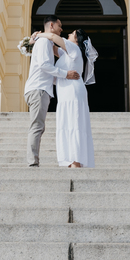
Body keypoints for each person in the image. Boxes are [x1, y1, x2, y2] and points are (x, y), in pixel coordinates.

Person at [35, 25, 97, 168]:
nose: (68, 34)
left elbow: (52, 37)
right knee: (67, 124)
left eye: (72, 33)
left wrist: (38, 34)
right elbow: (53, 48)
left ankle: (76, 161)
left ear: (77, 39)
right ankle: (70, 160)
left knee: (74, 123)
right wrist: (31, 42)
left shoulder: (73, 48)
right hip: (65, 93)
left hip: (72, 92)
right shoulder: (66, 52)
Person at [23, 16, 78, 167]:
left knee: (39, 126)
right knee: (37, 127)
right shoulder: (44, 42)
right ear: (52, 26)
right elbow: (44, 65)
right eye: (60, 26)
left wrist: (60, 80)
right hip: (38, 89)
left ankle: (33, 161)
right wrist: (65, 74)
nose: (62, 29)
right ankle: (32, 163)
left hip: (40, 88)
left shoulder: (46, 42)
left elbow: (46, 70)